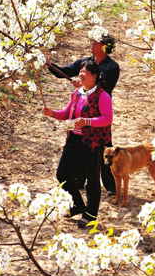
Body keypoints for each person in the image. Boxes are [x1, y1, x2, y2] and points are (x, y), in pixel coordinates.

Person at [45, 34, 119, 196]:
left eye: (95, 42)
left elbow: (107, 88)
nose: (91, 44)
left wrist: (85, 84)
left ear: (105, 46)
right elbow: (63, 72)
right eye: (91, 40)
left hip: (98, 112)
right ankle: (79, 181)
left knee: (103, 147)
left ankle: (111, 185)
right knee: (78, 144)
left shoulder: (112, 67)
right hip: (80, 108)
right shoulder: (84, 63)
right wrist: (50, 65)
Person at [43, 59, 113, 228]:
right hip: (73, 139)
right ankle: (76, 205)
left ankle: (90, 215)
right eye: (80, 71)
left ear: (94, 76)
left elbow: (107, 118)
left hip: (92, 142)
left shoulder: (103, 95)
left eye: (85, 72)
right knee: (62, 174)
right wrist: (52, 113)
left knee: (92, 180)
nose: (81, 74)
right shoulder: (77, 93)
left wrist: (87, 122)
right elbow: (67, 113)